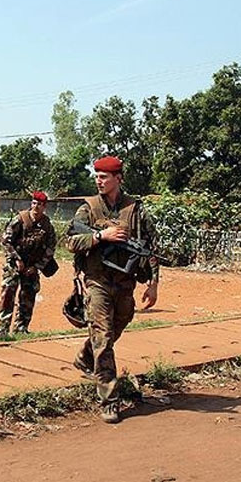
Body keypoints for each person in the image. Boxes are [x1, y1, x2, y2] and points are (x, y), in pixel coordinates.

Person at [67, 155, 160, 424]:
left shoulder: (136, 210)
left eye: (104, 177)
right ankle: (109, 400)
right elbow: (70, 241)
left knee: (119, 323)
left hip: (124, 282)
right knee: (104, 336)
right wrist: (100, 236)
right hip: (97, 281)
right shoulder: (88, 208)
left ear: (118, 179)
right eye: (96, 176)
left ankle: (86, 356)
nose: (99, 180)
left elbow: (151, 248)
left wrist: (153, 284)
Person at [0, 191, 57, 338]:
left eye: (40, 205)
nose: (36, 207)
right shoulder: (20, 219)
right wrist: (17, 259)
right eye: (34, 203)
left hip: (32, 267)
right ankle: (3, 330)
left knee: (28, 296)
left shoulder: (47, 225)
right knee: (8, 295)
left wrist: (36, 267)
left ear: (44, 207)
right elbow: (5, 241)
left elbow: (50, 248)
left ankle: (21, 328)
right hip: (15, 265)